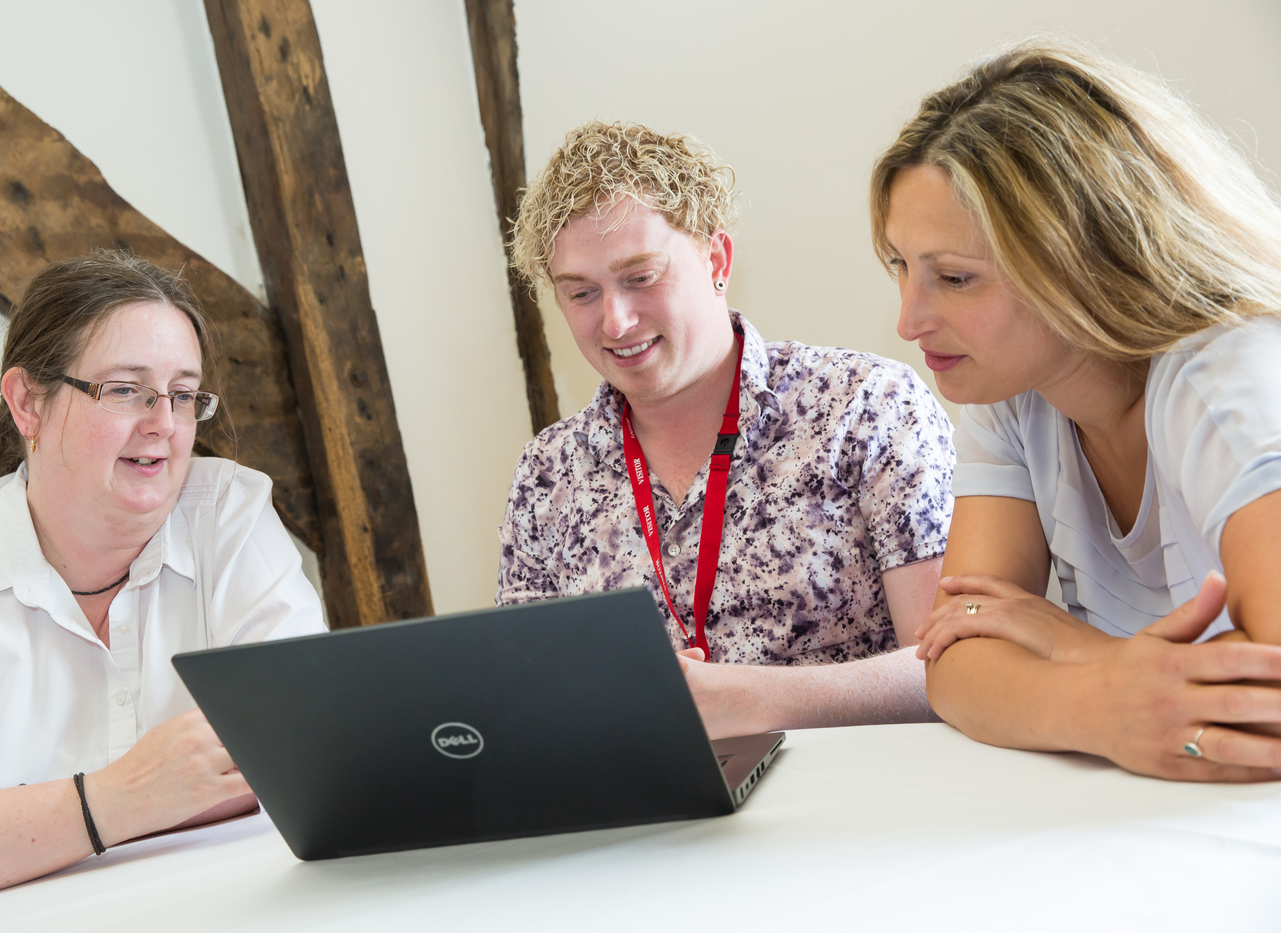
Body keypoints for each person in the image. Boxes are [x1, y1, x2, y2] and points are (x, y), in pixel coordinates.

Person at [872, 37, 1281, 781]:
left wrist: (1069, 650)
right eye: (902, 265)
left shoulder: (1228, 379)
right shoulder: (1008, 388)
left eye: (956, 278)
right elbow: (954, 663)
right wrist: (1102, 701)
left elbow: (1274, 699)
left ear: (1082, 261)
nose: (909, 320)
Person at [0, 252, 327, 916]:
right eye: (126, 389)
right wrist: (113, 800)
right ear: (27, 402)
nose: (165, 425)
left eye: (182, 394)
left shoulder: (228, 512)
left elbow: (313, 756)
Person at [499, 120, 955, 738]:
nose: (616, 320)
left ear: (716, 259)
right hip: (655, 822)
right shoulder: (548, 472)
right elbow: (530, 701)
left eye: (640, 277)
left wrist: (746, 698)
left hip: (855, 813)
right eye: (581, 293)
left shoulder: (867, 406)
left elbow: (952, 673)